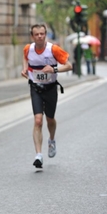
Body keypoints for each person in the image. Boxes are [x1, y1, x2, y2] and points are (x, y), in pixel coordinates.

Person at [21, 23, 72, 169]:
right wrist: (25, 69)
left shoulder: (53, 49)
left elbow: (69, 66)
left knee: (50, 119)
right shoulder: (28, 49)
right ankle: (38, 155)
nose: (40, 37)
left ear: (45, 34)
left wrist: (54, 68)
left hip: (50, 88)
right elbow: (25, 58)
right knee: (38, 120)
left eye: (42, 34)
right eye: (36, 34)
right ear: (32, 36)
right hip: (35, 87)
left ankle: (52, 139)